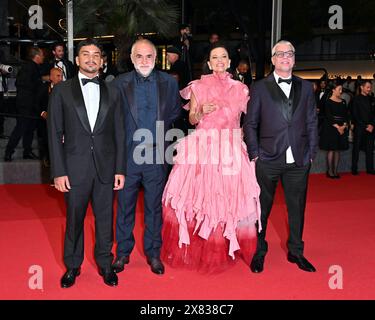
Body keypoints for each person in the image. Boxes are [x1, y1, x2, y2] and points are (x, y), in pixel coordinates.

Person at [161, 43, 261, 273]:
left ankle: (228, 246)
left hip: (231, 148)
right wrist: (201, 111)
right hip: (203, 148)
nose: (219, 60)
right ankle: (203, 247)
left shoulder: (241, 89)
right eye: (215, 57)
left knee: (230, 199)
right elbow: (193, 120)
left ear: (229, 61)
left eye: (223, 56)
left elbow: (247, 122)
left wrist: (244, 145)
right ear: (208, 63)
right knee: (202, 199)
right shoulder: (198, 86)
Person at [48, 38, 126, 288]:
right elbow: (53, 132)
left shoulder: (114, 91)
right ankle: (72, 266)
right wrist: (58, 172)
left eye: (96, 54)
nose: (91, 58)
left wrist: (120, 169)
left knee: (105, 219)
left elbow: (120, 134)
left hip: (105, 167)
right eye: (85, 54)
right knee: (74, 220)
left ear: (102, 61)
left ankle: (105, 264)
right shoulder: (61, 90)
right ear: (78, 59)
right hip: (73, 168)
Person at [243, 40, 318, 273]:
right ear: (273, 59)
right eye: (280, 54)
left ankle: (296, 252)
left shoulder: (306, 87)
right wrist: (255, 154)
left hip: (298, 160)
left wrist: (311, 154)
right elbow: (250, 123)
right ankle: (259, 251)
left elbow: (312, 122)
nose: (285, 57)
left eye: (290, 54)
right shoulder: (259, 87)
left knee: (297, 208)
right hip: (267, 159)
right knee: (261, 209)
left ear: (294, 59)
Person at [111, 39, 181, 276]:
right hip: (127, 157)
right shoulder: (119, 84)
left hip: (156, 156)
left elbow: (173, 113)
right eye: (139, 56)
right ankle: (122, 253)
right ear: (131, 59)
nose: (144, 61)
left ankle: (153, 253)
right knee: (124, 207)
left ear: (156, 58)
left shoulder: (169, 84)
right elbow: (112, 120)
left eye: (148, 56)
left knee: (154, 208)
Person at [4, 47, 45, 162]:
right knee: (21, 128)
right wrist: (39, 84)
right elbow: (22, 83)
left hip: (30, 104)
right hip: (26, 104)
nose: (43, 57)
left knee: (30, 129)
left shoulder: (32, 67)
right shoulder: (29, 67)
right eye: (42, 55)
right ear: (36, 56)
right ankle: (9, 152)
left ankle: (27, 152)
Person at [319, 80, 349, 178]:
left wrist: (343, 126)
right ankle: (330, 171)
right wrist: (337, 127)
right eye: (339, 89)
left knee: (337, 150)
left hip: (341, 127)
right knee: (331, 149)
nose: (341, 91)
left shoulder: (343, 102)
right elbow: (328, 116)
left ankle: (335, 171)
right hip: (331, 127)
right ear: (333, 90)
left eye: (341, 89)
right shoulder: (328, 102)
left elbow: (346, 115)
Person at [35, 67, 63, 167]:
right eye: (58, 76)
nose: (61, 79)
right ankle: (47, 159)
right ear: (51, 77)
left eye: (61, 76)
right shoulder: (43, 88)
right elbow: (36, 103)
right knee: (46, 140)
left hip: (61, 121)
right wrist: (42, 113)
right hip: (46, 122)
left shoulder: (65, 89)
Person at [351, 80, 375, 175]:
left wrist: (372, 124)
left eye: (370, 87)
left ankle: (370, 169)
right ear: (362, 87)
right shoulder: (355, 99)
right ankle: (354, 169)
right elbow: (355, 115)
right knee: (356, 148)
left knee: (370, 149)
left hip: (371, 128)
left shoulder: (372, 99)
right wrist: (365, 126)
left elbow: (374, 114)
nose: (369, 89)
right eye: (368, 87)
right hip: (360, 128)